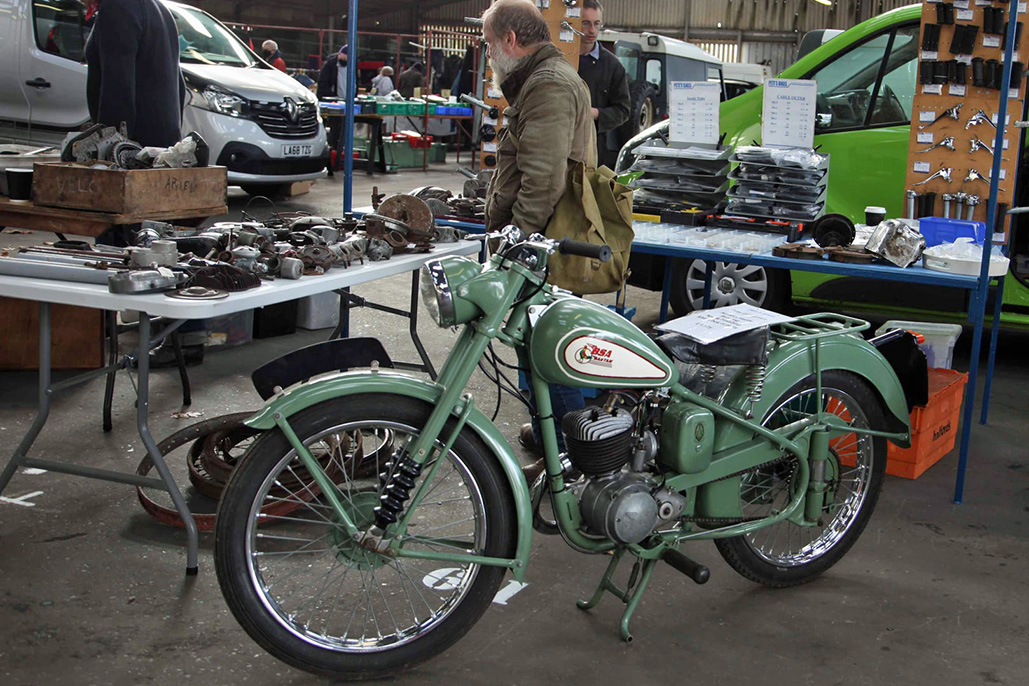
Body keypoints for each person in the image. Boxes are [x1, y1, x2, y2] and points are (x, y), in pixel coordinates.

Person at [481, 0, 593, 471]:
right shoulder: (541, 80)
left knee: (548, 348)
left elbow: (543, 180)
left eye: (489, 44)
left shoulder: (547, 86)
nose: (488, 55)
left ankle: (573, 451)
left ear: (510, 40)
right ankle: (554, 435)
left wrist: (516, 244)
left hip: (543, 245)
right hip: (542, 240)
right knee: (534, 345)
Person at [85, 0, 184, 148]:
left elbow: (117, 89)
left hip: (136, 149)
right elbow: (179, 87)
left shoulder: (117, 8)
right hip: (161, 145)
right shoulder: (160, 9)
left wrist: (110, 151)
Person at [577, 0, 630, 168]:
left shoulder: (613, 66)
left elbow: (623, 110)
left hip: (592, 150)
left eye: (596, 23)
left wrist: (595, 113)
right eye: (585, 23)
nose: (591, 30)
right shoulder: (558, 59)